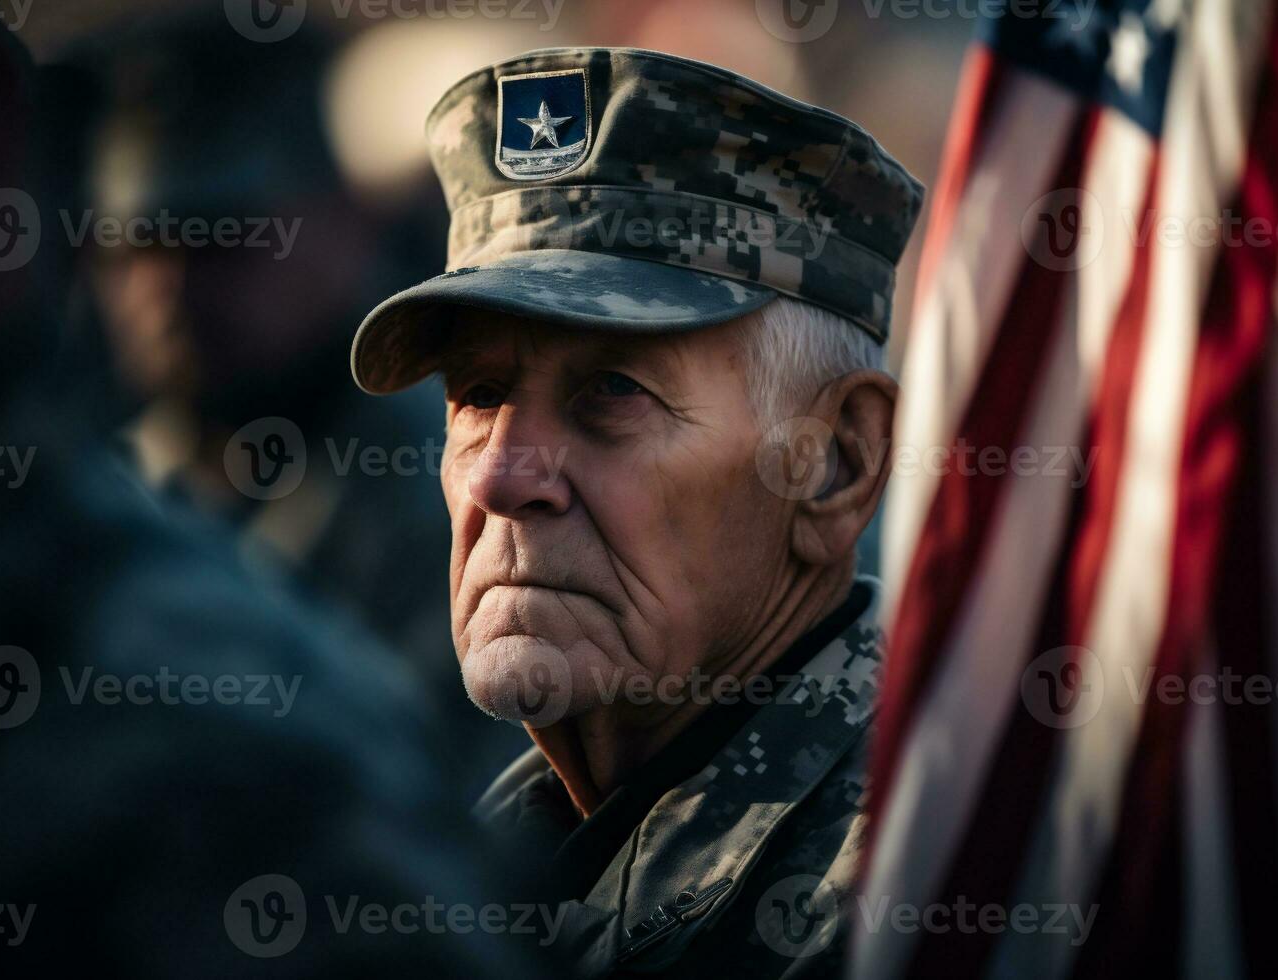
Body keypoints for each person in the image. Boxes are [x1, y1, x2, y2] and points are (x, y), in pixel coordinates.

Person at [0, 17, 542, 978]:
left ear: (339, 226)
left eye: (223, 237)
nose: (171, 285)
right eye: (136, 244)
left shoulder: (459, 489)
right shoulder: (104, 474)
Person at [347, 47, 924, 978]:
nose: (500, 479)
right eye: (480, 394)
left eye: (612, 390)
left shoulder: (916, 894)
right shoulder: (483, 852)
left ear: (837, 467)